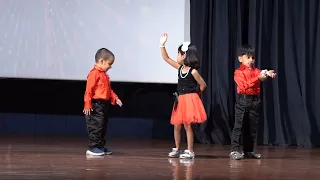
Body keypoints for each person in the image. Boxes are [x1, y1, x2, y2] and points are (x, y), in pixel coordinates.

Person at [159, 33, 207, 159]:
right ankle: (177, 148)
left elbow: (203, 85)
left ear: (184, 55)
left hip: (189, 100)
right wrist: (162, 45)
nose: (177, 56)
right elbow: (166, 58)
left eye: (179, 53)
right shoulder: (180, 68)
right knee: (177, 125)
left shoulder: (194, 72)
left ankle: (190, 150)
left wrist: (196, 96)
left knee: (187, 125)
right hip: (180, 100)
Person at [230, 45, 277, 160]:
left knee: (252, 127)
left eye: (253, 58)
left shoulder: (255, 70)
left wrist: (267, 74)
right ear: (240, 58)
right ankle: (234, 150)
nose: (251, 60)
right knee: (239, 126)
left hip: (255, 100)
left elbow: (261, 74)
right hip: (243, 100)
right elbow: (244, 85)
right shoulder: (238, 72)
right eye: (248, 57)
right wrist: (258, 78)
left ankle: (249, 150)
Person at [83, 48, 123, 156]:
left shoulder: (104, 75)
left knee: (102, 126)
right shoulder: (94, 74)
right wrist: (87, 104)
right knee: (96, 126)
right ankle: (93, 147)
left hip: (103, 105)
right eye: (109, 64)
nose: (110, 66)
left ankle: (100, 145)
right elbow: (88, 90)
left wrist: (115, 98)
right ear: (101, 61)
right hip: (96, 105)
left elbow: (108, 90)